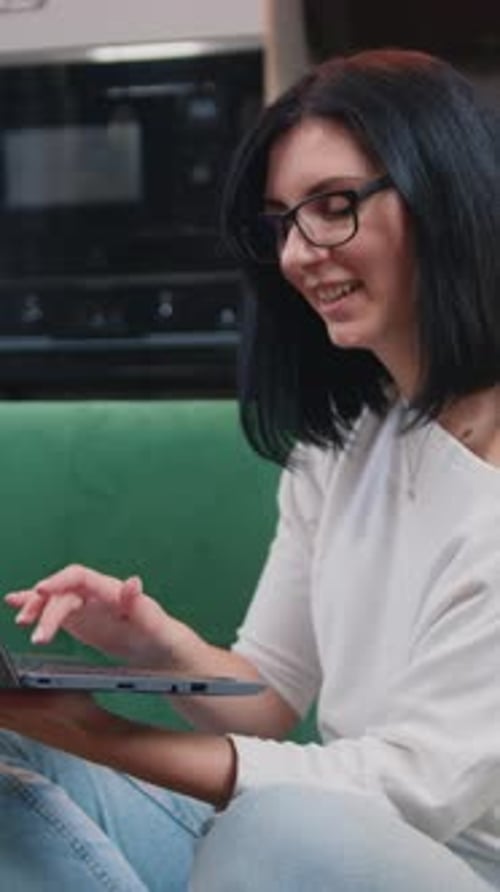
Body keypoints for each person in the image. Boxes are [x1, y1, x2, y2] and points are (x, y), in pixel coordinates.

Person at [0, 46, 499, 892]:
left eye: (334, 207)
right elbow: (270, 694)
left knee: (281, 823)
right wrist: (155, 646)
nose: (301, 254)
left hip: (424, 863)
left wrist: (100, 734)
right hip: (306, 851)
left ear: (445, 195)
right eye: (282, 222)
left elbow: (409, 793)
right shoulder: (341, 444)